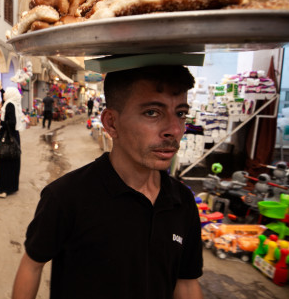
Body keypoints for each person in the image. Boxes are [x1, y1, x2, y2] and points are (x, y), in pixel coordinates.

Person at [12, 65, 203, 299]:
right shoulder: (66, 197)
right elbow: (33, 265)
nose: (174, 129)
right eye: (153, 112)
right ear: (111, 123)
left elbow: (185, 282)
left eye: (181, 113)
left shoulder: (181, 202)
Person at [0, 87, 25, 198]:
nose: (4, 94)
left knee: (4, 162)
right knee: (12, 162)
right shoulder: (14, 104)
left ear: (10, 94)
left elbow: (12, 122)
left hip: (8, 138)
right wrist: (1, 89)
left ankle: (2, 190)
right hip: (13, 137)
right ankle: (11, 187)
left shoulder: (10, 104)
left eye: (6, 92)